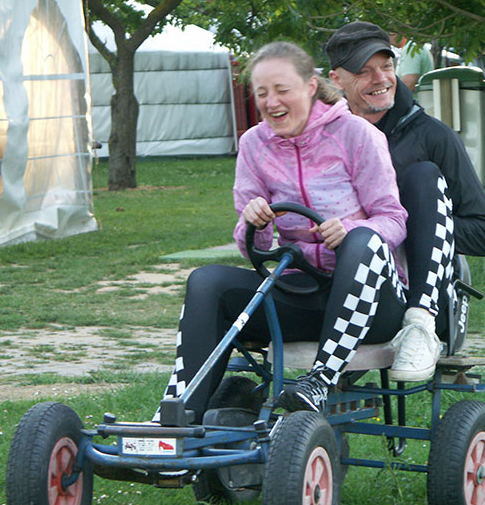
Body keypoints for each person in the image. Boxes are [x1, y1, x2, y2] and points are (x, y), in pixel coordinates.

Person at [159, 41, 408, 420]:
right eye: (262, 93)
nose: (271, 102)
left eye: (282, 90)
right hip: (301, 291)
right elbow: (251, 248)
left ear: (310, 87)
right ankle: (177, 417)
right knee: (207, 282)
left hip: (372, 303)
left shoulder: (357, 135)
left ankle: (320, 380)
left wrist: (351, 228)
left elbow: (393, 219)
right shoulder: (254, 145)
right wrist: (254, 224)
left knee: (362, 240)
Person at [326, 21, 485, 382]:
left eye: (386, 66)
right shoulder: (324, 135)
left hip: (413, 287)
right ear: (336, 79)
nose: (380, 79)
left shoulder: (433, 136)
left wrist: (412, 226)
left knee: (421, 175)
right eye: (364, 71)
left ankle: (420, 326)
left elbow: (484, 234)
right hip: (340, 279)